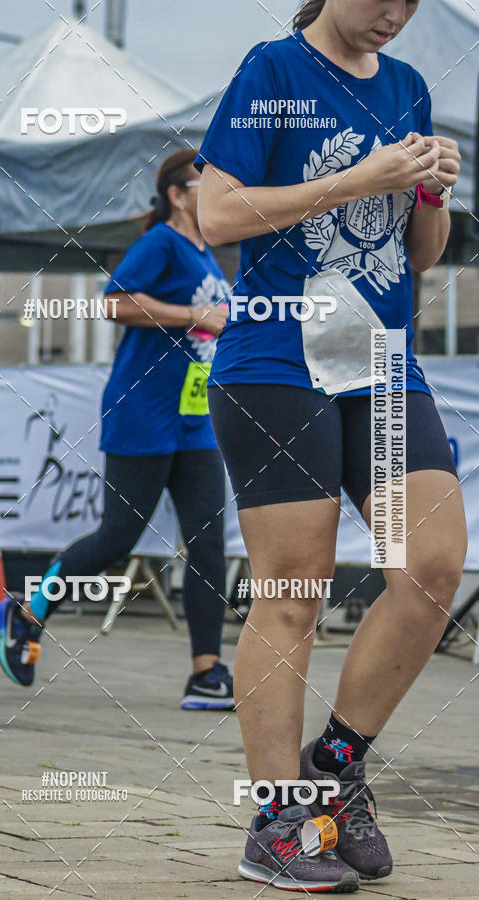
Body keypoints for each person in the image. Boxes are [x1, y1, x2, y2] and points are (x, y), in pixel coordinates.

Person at [196, 0, 465, 891]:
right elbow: (218, 215)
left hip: (381, 366)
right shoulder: (272, 70)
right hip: (278, 360)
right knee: (292, 593)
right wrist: (358, 179)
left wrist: (431, 192)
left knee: (432, 568)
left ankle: (336, 769)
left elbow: (421, 254)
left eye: (413, 1)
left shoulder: (409, 86)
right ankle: (277, 819)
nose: (397, 14)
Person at [0, 148, 235, 710]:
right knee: (117, 537)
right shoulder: (161, 244)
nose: (217, 192)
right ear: (177, 196)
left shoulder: (208, 254)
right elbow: (115, 303)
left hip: (194, 418)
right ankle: (29, 611)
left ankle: (206, 672)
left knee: (208, 542)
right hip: (142, 409)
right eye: (204, 184)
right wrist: (191, 316)